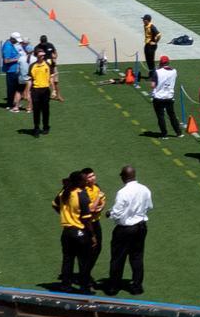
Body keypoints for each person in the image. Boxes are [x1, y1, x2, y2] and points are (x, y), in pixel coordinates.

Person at [53, 168, 105, 294]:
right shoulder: (81, 195)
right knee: (84, 262)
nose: (86, 182)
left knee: (68, 260)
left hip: (67, 232)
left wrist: (66, 215)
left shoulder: (64, 193)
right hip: (80, 233)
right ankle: (85, 288)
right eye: (83, 180)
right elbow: (86, 219)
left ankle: (65, 286)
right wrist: (92, 235)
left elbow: (55, 205)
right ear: (79, 182)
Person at [106, 165, 152, 295]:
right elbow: (149, 206)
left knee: (118, 258)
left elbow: (117, 213)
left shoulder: (123, 192)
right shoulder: (145, 189)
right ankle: (137, 286)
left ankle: (114, 287)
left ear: (124, 177)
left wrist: (109, 214)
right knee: (137, 257)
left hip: (125, 229)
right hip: (141, 227)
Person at [27, 49, 61, 136]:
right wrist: (27, 93)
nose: (43, 57)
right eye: (41, 55)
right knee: (36, 111)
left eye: (43, 55)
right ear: (37, 56)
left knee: (45, 110)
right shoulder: (32, 66)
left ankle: (46, 127)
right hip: (35, 91)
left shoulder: (47, 65)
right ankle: (36, 128)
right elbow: (30, 80)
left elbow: (51, 78)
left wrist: (53, 90)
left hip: (45, 90)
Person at [150, 56, 182, 137]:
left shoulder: (157, 72)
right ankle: (178, 132)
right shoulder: (174, 71)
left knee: (161, 117)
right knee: (172, 115)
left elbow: (153, 85)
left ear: (161, 62)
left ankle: (164, 134)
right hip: (169, 96)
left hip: (159, 97)